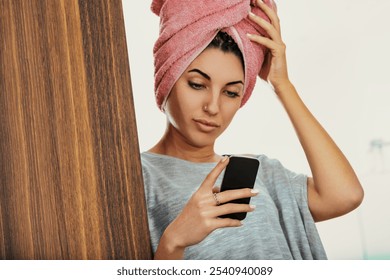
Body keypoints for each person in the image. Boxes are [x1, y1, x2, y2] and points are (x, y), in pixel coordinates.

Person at [141, 0, 364, 259]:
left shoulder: (261, 173)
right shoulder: (136, 177)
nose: (213, 107)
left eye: (231, 92)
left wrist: (282, 85)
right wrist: (173, 242)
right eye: (197, 84)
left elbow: (345, 195)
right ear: (166, 78)